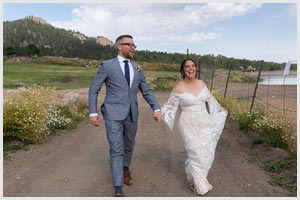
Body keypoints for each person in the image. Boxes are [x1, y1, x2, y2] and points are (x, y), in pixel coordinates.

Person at [89, 34, 161, 197]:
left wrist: (156, 108)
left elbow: (146, 91)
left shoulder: (138, 68)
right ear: (119, 46)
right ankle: (118, 186)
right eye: (129, 44)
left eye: (134, 45)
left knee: (129, 145)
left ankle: (125, 168)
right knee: (116, 149)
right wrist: (93, 112)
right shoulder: (107, 65)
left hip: (132, 114)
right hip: (113, 113)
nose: (133, 48)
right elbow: (94, 89)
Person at [159, 58, 227, 196]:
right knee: (195, 153)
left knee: (206, 153)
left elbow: (210, 99)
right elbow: (169, 104)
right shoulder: (178, 87)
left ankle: (195, 177)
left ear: (196, 68)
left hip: (205, 121)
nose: (191, 69)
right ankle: (197, 183)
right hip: (188, 124)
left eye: (193, 66)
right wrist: (160, 113)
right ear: (183, 70)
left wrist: (220, 109)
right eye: (187, 67)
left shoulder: (202, 83)